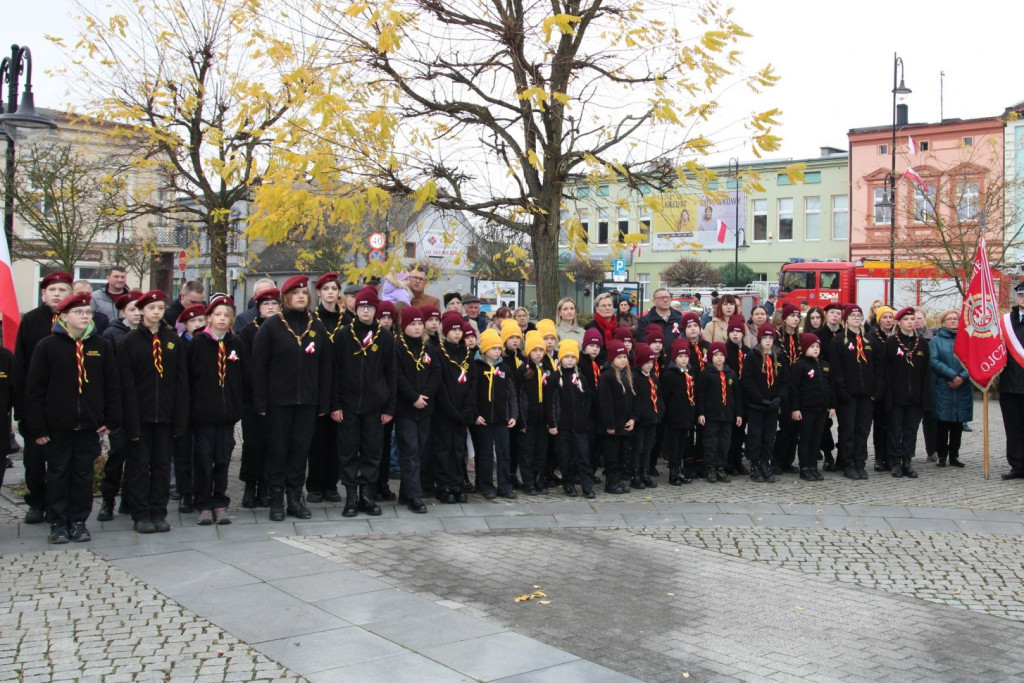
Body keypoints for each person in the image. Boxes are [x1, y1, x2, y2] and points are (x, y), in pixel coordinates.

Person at [24, 292, 120, 543]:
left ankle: (78, 521)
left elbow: (112, 385)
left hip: (89, 424)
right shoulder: (47, 346)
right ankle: (58, 522)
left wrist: (109, 419)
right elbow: (35, 390)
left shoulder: (100, 346)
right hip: (58, 425)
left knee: (82, 474)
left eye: (88, 312)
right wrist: (38, 428)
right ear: (63, 316)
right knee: (58, 473)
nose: (85, 316)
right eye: (78, 312)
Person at [253, 276, 333, 521]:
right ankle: (276, 501)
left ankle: (295, 499)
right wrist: (261, 401)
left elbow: (326, 367)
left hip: (307, 403)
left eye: (304, 292)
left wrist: (324, 401)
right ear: (285, 298)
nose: (301, 296)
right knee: (278, 451)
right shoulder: (272, 326)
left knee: (300, 451)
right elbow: (258, 367)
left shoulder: (316, 326)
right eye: (296, 293)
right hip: (279, 403)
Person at [120, 290, 189, 533]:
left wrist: (179, 419)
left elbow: (181, 381)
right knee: (139, 466)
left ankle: (159, 511)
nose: (156, 312)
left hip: (166, 415)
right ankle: (141, 513)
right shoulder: (130, 342)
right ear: (141, 311)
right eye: (151, 308)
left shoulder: (172, 340)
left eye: (160, 308)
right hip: (141, 415)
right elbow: (126, 385)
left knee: (161, 466)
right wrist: (130, 421)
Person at [14, 271, 74, 524]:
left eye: (62, 290)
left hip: (65, 404)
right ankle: (36, 501)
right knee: (35, 459)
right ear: (43, 294)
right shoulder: (31, 320)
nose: (57, 294)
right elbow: (20, 363)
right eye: (52, 290)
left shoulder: (76, 320)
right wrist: (22, 407)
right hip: (36, 402)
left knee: (62, 460)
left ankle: (59, 504)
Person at [331, 285, 395, 517]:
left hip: (374, 406)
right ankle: (350, 496)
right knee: (348, 450)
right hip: (347, 405)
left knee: (371, 451)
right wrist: (335, 404)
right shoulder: (343, 335)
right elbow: (335, 372)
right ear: (355, 309)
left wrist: (389, 406)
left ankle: (366, 495)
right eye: (361, 307)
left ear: (376, 310)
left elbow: (391, 374)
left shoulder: (385, 337)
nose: (365, 311)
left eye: (369, 307)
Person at [187, 296, 245, 525]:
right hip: (203, 414)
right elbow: (190, 378)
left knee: (223, 458)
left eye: (226, 315)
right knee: (203, 458)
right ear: (209, 318)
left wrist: (236, 405)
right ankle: (203, 502)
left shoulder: (236, 344)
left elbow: (242, 377)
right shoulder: (199, 343)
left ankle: (220, 501)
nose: (222, 319)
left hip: (226, 414)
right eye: (218, 315)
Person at [96, 290, 143, 522]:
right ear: (122, 311)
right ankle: (108, 499)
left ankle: (131, 498)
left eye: (139, 309)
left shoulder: (150, 335)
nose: (136, 314)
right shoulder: (111, 335)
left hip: (142, 407)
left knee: (138, 458)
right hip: (120, 406)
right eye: (131, 309)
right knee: (117, 454)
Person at [393, 306, 440, 513]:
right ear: (404, 326)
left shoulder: (429, 349)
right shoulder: (398, 347)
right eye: (413, 324)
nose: (417, 328)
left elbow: (436, 373)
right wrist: (413, 397)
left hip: (425, 408)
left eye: (420, 324)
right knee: (410, 451)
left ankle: (406, 492)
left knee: (420, 451)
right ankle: (414, 495)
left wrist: (425, 396)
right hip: (406, 408)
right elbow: (397, 375)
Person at [237, 287, 279, 509]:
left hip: (277, 399)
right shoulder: (248, 331)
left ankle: (266, 487)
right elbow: (245, 366)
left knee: (272, 444)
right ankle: (250, 486)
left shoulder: (284, 329)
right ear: (258, 308)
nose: (270, 308)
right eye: (266, 304)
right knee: (252, 444)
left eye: (274, 304)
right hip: (253, 399)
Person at [306, 272, 345, 504]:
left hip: (340, 385)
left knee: (336, 440)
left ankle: (332, 485)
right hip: (317, 385)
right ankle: (314, 485)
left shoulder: (346, 321)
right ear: (318, 293)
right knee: (317, 440)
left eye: (334, 288)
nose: (330, 292)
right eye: (326, 289)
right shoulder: (312, 320)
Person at [829, 304, 877, 480]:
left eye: (859, 315)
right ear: (846, 319)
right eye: (853, 315)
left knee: (862, 430)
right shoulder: (839, 340)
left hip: (866, 394)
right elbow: (836, 370)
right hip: (848, 395)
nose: (857, 318)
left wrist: (875, 390)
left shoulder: (869, 341)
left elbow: (877, 367)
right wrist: (843, 392)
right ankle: (847, 462)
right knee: (848, 430)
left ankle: (860, 462)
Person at [432, 313, 475, 504]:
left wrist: (467, 409)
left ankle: (457, 483)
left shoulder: (467, 354)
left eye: (460, 330)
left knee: (459, 449)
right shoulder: (439, 352)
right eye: (453, 330)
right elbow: (439, 383)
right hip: (444, 411)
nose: (457, 334)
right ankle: (444, 485)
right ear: (446, 331)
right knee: (443, 448)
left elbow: (473, 383)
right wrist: (450, 409)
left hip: (462, 412)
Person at [883, 307, 930, 478]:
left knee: (911, 430)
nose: (910, 322)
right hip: (897, 396)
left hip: (915, 397)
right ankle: (895, 461)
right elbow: (886, 372)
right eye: (906, 319)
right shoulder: (891, 343)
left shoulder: (922, 343)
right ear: (899, 322)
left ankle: (907, 461)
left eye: (912, 319)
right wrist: (888, 396)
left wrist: (925, 397)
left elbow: (926, 372)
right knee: (896, 429)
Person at [471, 329, 519, 499]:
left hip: (501, 418)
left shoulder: (504, 368)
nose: (497, 351)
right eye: (493, 348)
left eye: (499, 348)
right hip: (483, 419)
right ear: (484, 350)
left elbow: (512, 393)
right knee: (485, 454)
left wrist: (513, 414)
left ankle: (504, 486)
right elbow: (472, 393)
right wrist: (475, 414)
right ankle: (486, 485)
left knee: (504, 453)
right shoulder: (476, 368)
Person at [545, 339, 596, 498]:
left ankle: (587, 486)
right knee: (565, 456)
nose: (569, 360)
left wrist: (584, 418)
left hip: (579, 426)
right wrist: (553, 423)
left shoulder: (581, 377)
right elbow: (550, 402)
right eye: (566, 357)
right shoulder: (554, 378)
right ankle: (568, 483)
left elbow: (588, 399)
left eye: (572, 357)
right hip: (562, 426)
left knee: (583, 456)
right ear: (560, 359)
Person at [788, 333, 836, 481]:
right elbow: (794, 389)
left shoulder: (825, 365)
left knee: (817, 438)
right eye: (812, 347)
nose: (815, 349)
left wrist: (832, 406)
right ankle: (805, 467)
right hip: (806, 409)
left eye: (817, 347)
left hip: (821, 409)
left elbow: (830, 387)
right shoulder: (800, 365)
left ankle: (813, 466)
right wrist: (795, 408)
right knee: (806, 438)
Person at [742, 323, 785, 483]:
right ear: (760, 339)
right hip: (756, 404)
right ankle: (755, 464)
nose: (768, 341)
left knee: (769, 436)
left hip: (773, 405)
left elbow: (785, 380)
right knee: (755, 435)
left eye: (770, 338)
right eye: (765, 338)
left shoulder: (779, 356)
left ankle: (765, 463)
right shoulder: (753, 356)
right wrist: (760, 398)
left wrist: (779, 398)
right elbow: (747, 380)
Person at [929, 310, 971, 468]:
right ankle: (942, 455)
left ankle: (955, 455)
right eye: (949, 319)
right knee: (943, 423)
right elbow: (934, 361)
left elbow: (972, 360)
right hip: (944, 385)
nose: (953, 321)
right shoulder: (936, 340)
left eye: (955, 319)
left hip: (962, 386)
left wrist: (962, 377)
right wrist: (952, 376)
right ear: (943, 322)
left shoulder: (966, 339)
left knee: (958, 424)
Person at [697, 342, 742, 483]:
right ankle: (710, 467)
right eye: (716, 355)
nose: (719, 358)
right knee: (711, 442)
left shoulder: (731, 374)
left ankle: (721, 467)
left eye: (722, 355)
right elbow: (701, 395)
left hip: (727, 415)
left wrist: (738, 414)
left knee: (724, 442)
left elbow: (737, 396)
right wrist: (701, 413)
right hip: (711, 415)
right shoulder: (706, 374)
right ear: (711, 357)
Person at [599, 340, 636, 494]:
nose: (622, 360)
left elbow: (634, 399)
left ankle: (619, 480)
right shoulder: (607, 376)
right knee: (612, 455)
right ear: (612, 358)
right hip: (613, 424)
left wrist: (633, 418)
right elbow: (605, 402)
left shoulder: (627, 375)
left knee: (622, 454)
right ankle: (611, 482)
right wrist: (610, 424)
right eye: (619, 357)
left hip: (625, 423)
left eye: (624, 357)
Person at [518, 331, 552, 495]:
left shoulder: (547, 369)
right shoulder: (523, 370)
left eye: (541, 350)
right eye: (535, 350)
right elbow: (518, 396)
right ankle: (528, 482)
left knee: (541, 451)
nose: (538, 354)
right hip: (528, 419)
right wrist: (521, 420)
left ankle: (539, 479)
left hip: (543, 419)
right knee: (527, 452)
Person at [660, 338, 697, 486]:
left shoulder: (690, 374)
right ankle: (673, 472)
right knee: (674, 446)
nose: (684, 359)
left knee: (683, 445)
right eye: (681, 357)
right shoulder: (669, 375)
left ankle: (680, 470)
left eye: (686, 356)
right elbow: (666, 397)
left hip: (688, 417)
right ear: (675, 358)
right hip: (675, 417)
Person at [999, 281, 1024, 480]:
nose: (1023, 298)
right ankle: (1017, 465)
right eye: (1021, 295)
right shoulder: (1006, 322)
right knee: (1013, 428)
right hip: (1009, 384)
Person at [630, 342, 662, 489]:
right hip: (640, 420)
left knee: (648, 447)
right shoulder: (635, 378)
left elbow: (659, 397)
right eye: (646, 362)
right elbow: (635, 400)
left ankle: (645, 472)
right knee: (638, 447)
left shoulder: (653, 378)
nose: (649, 365)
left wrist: (660, 412)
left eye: (651, 362)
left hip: (652, 419)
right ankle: (635, 474)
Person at [869, 305, 896, 471]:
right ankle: (879, 456)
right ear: (879, 320)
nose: (888, 320)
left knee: (893, 424)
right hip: (878, 388)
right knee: (879, 424)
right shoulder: (872, 338)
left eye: (890, 317)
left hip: (894, 387)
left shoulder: (897, 337)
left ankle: (891, 456)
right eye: (884, 317)